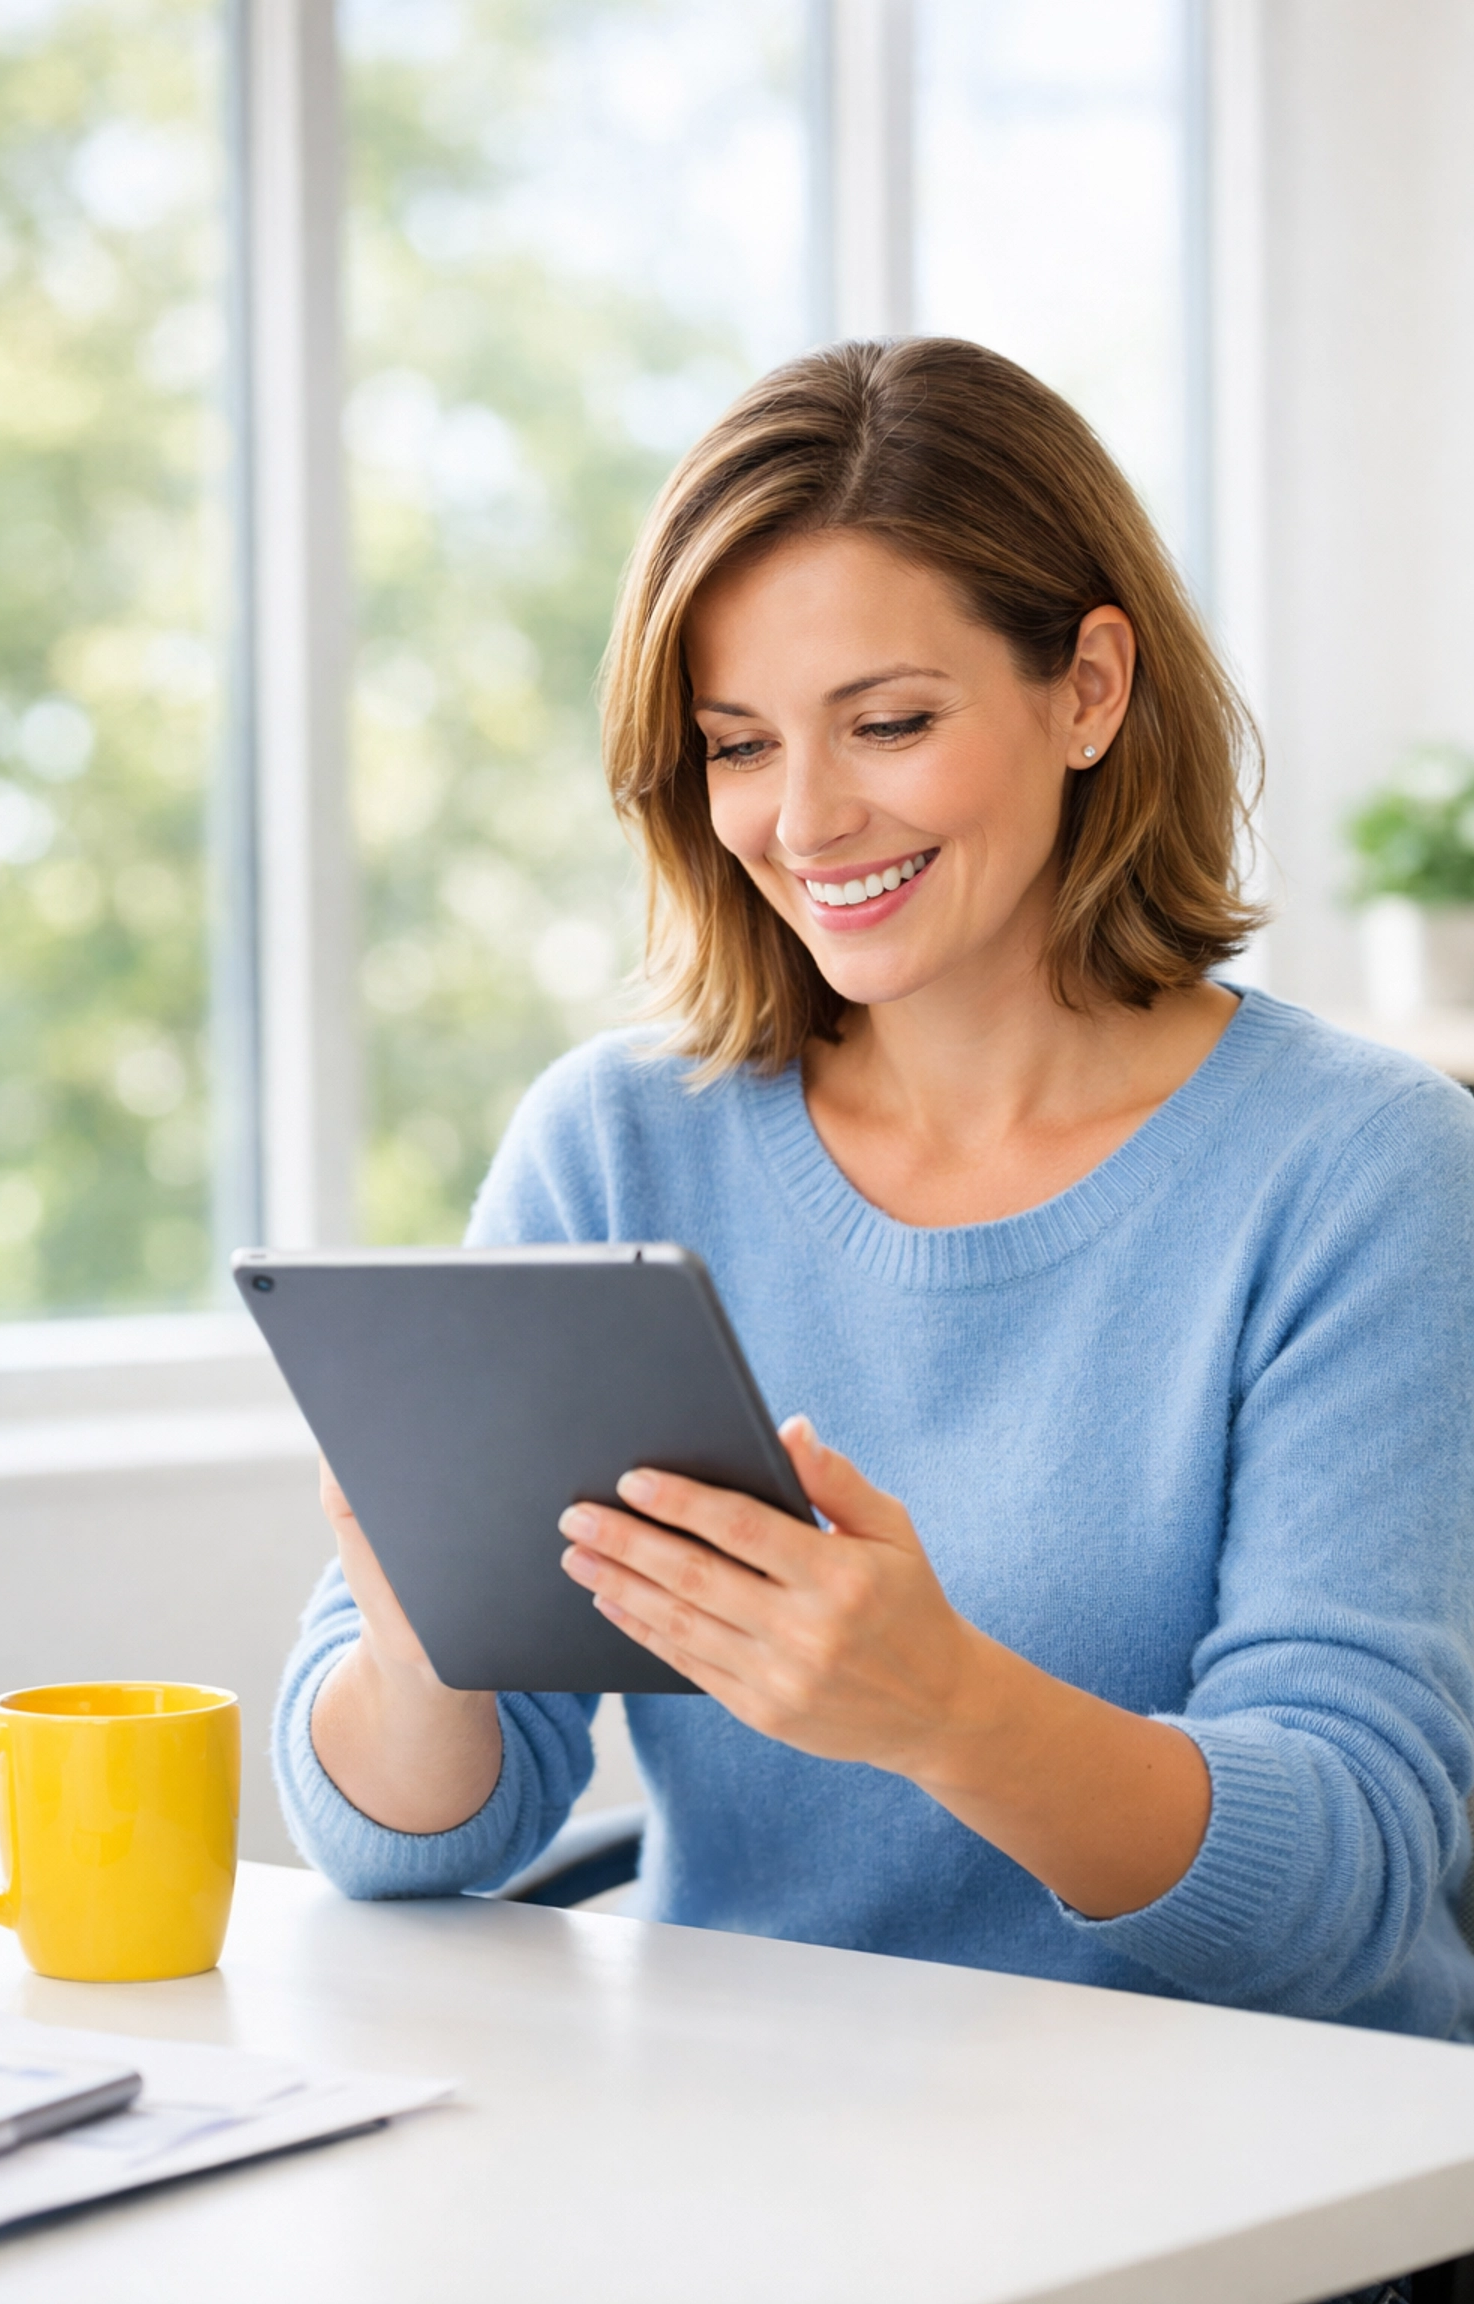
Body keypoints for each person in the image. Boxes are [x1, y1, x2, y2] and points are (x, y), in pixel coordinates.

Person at [275, 339, 1474, 2058]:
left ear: (1088, 688)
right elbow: (406, 1843)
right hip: (754, 2131)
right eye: (738, 745)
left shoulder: (1361, 1168)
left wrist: (947, 1712)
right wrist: (415, 1647)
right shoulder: (617, 1144)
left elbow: (1345, 1887)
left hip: (1244, 2154)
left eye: (890, 724)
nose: (807, 819)